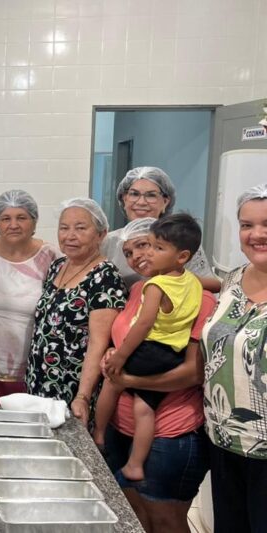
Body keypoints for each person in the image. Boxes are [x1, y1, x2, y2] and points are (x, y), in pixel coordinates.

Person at [100, 217, 213, 533]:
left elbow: (193, 373)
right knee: (134, 515)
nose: (139, 256)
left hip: (170, 431)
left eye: (147, 246)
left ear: (179, 254)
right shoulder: (138, 288)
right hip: (122, 426)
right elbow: (128, 337)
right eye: (130, 251)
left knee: (163, 520)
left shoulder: (199, 296)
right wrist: (113, 352)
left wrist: (130, 380)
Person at [201, 184, 267, 532]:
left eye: (266, 224)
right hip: (225, 440)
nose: (256, 234)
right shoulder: (234, 279)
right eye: (246, 224)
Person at [26, 197, 127, 424]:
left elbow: (98, 343)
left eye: (80, 228)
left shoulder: (105, 276)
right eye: (64, 228)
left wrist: (83, 396)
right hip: (41, 380)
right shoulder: (58, 266)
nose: (70, 235)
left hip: (74, 387)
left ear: (101, 234)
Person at [0, 190, 60, 406]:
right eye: (5, 218)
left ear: (34, 222)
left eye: (22, 217)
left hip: (34, 373)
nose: (13, 224)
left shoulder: (52, 257)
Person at [102, 166, 220, 292]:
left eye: (151, 195)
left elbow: (212, 287)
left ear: (165, 202)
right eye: (134, 194)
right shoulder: (108, 242)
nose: (141, 202)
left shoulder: (179, 238)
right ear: (124, 199)